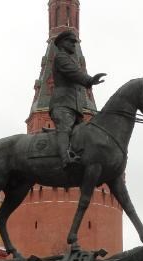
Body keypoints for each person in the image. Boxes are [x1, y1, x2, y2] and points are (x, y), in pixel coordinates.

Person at [49, 30, 106, 168]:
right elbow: (73, 73)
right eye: (71, 42)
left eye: (75, 42)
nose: (74, 45)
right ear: (62, 44)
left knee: (82, 134)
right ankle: (65, 159)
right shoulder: (61, 58)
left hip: (74, 106)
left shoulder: (71, 59)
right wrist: (90, 80)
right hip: (62, 103)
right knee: (65, 128)